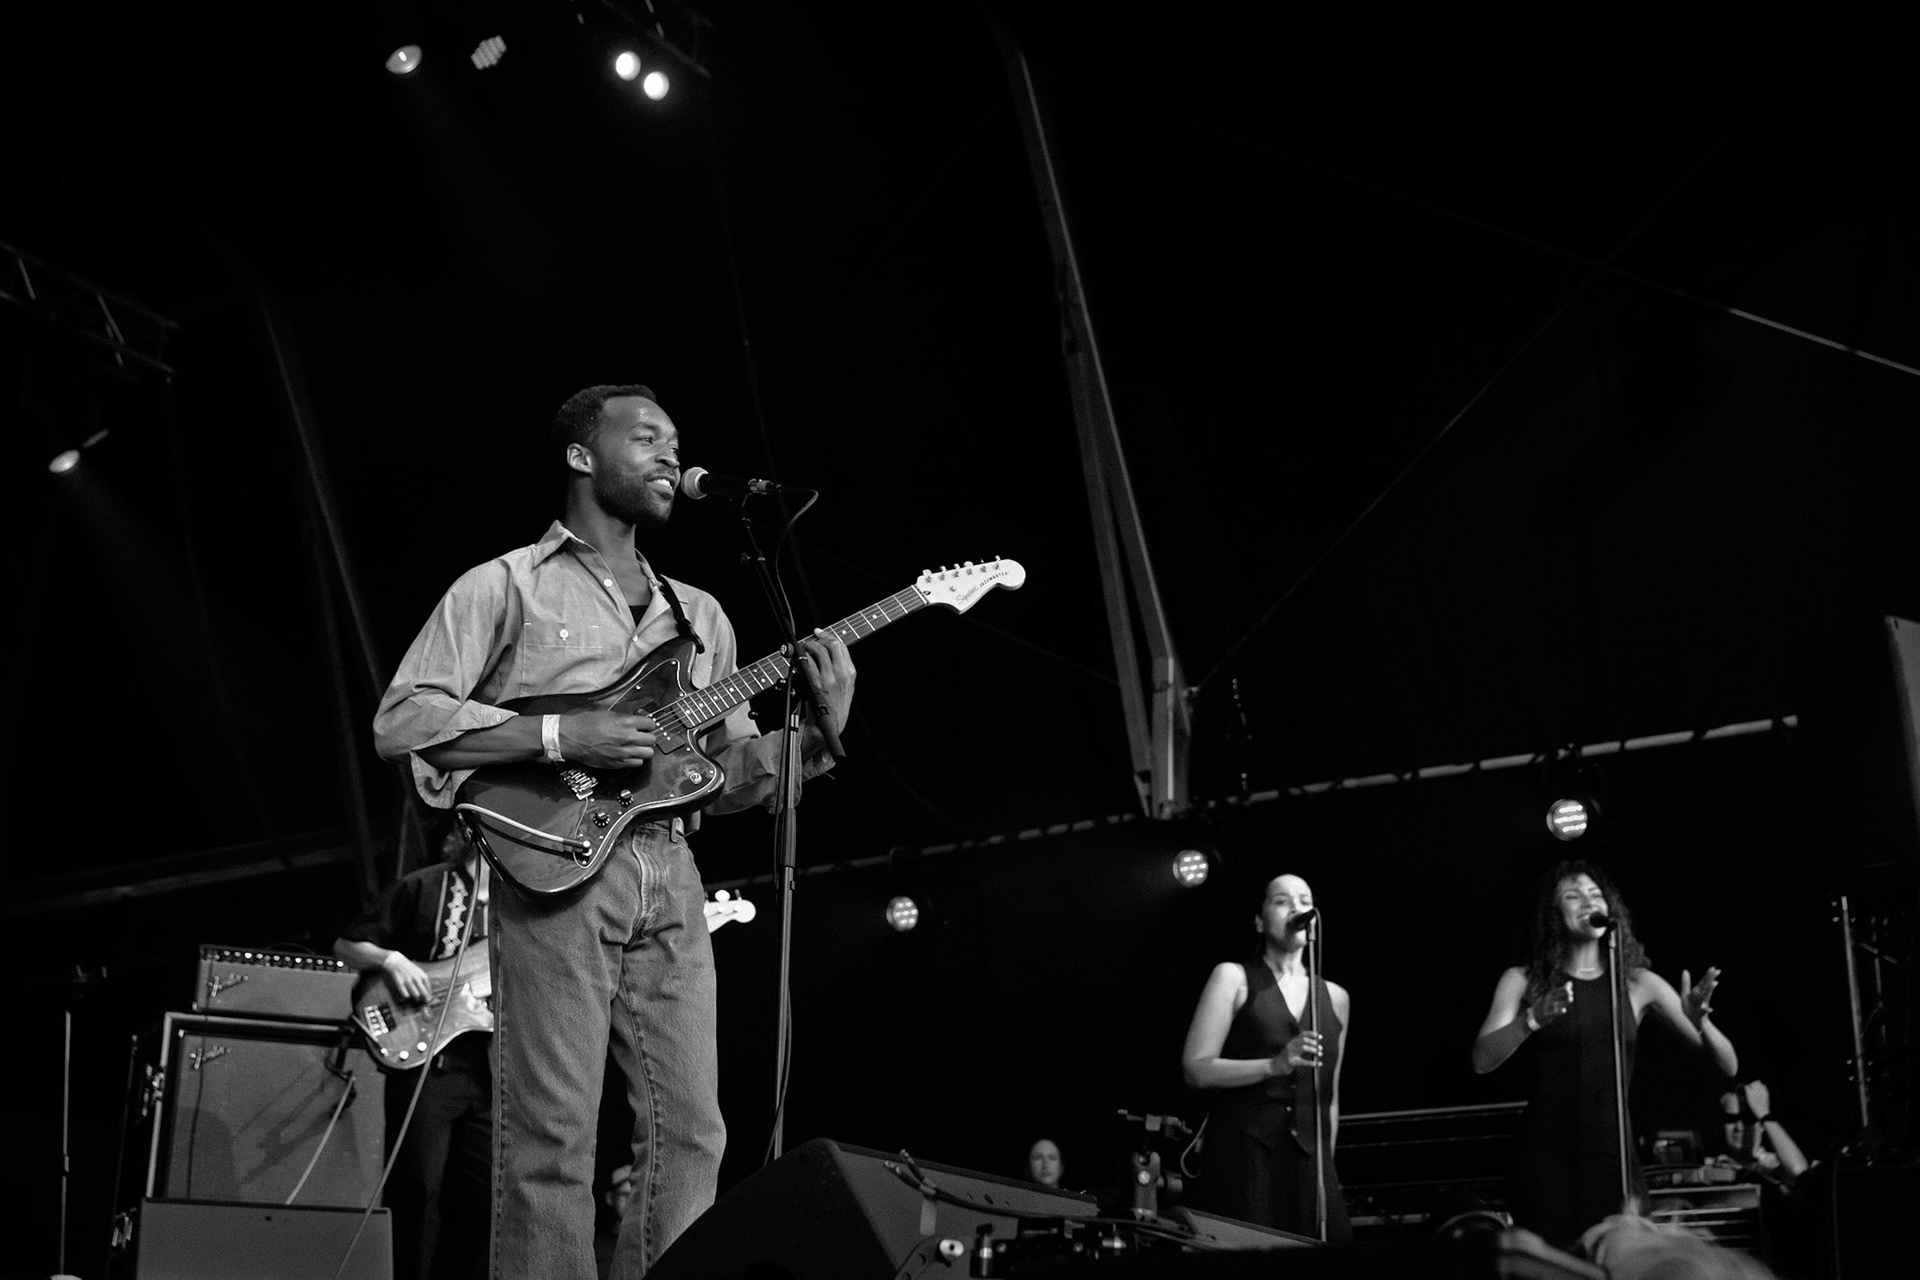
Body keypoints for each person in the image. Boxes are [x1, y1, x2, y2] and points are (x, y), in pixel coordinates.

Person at [372, 385, 855, 1278]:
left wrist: (822, 735)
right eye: (647, 438)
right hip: (554, 866)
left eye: (676, 440)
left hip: (671, 869)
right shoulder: (505, 584)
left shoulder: (700, 614)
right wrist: (563, 734)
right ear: (582, 456)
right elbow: (404, 720)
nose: (672, 455)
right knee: (552, 1134)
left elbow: (726, 774)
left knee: (693, 1129)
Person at [1471, 859, 1739, 1249]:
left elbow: (1728, 1065)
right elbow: (1481, 1060)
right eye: (1573, 896)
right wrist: (1530, 1020)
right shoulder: (1522, 980)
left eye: (1595, 894)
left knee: (1624, 1260)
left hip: (1614, 1158)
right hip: (1545, 1160)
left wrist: (1702, 1022)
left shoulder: (1637, 983)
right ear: (1553, 914)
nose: (1588, 902)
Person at [333, 824, 494, 1280]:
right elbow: (346, 944)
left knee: (485, 1199)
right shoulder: (424, 885)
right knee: (417, 1192)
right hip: (427, 1068)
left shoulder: (523, 908)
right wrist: (391, 959)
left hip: (492, 1073)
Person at [1180, 873, 1351, 1240]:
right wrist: (1273, 1066)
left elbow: (1330, 1096)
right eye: (1281, 901)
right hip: (1246, 1156)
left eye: (1305, 901)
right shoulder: (1233, 977)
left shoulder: (1336, 998)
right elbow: (1196, 1068)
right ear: (1259, 921)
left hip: (1311, 1167)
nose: (1296, 909)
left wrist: (1326, 1167)